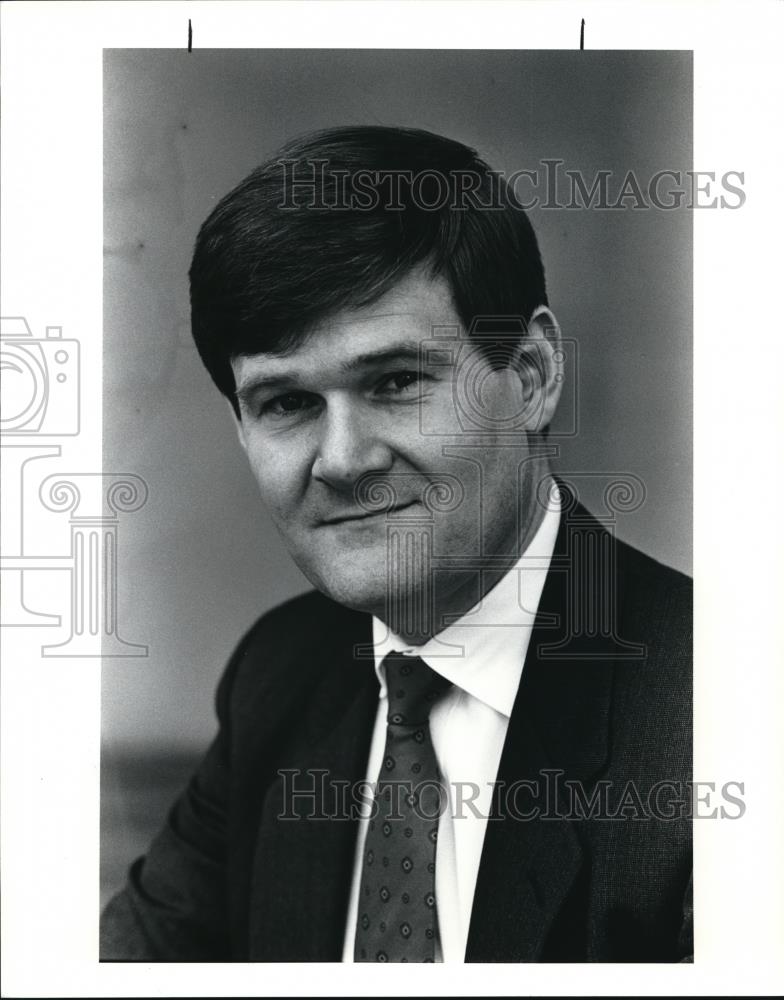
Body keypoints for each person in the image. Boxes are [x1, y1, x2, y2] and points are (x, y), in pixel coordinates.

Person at [100, 125, 692, 963]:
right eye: (285, 403)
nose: (343, 461)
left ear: (529, 375)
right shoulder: (281, 673)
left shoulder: (718, 706)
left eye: (395, 383)